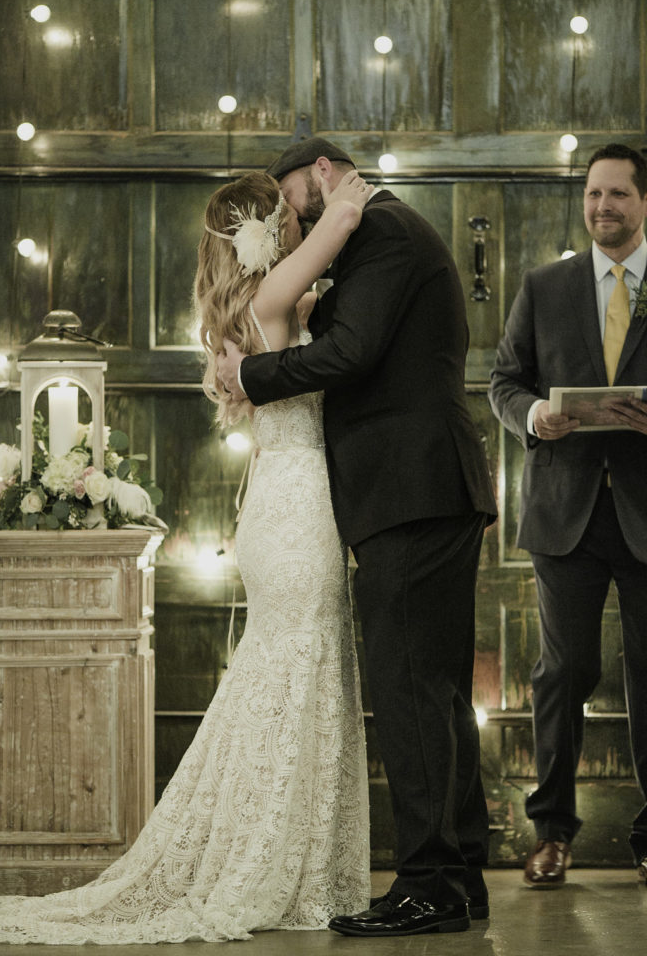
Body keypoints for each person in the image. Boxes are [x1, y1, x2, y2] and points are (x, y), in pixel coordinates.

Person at [0, 168, 374, 944]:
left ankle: (288, 851)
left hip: (280, 500)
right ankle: (276, 857)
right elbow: (342, 224)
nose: (297, 222)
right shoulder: (272, 295)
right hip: (294, 504)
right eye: (284, 216)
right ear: (262, 230)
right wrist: (344, 190)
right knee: (300, 668)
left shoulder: (257, 304)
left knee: (292, 669)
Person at [217, 137, 497, 937]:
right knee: (434, 690)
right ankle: (457, 875)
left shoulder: (382, 232)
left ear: (323, 171)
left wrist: (252, 377)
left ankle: (428, 884)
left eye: (294, 194)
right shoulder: (376, 235)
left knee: (411, 689)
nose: (291, 211)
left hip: (410, 489)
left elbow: (351, 351)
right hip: (419, 486)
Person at [488, 142, 647, 889]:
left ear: (644, 203)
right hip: (565, 515)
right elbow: (504, 382)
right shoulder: (544, 285)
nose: (601, 208)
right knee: (563, 672)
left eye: (616, 194)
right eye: (592, 194)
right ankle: (551, 832)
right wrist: (533, 420)